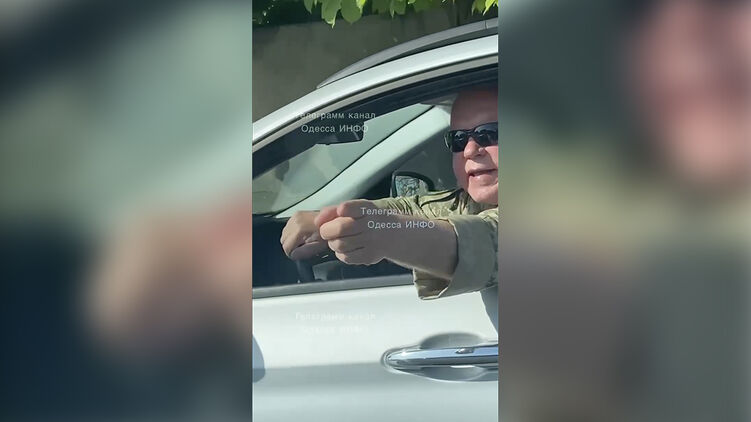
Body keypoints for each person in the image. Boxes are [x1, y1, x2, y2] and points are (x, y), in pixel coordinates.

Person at [280, 87, 499, 299]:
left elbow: (484, 245)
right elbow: (416, 208)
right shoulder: (469, 202)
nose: (469, 150)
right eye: (458, 139)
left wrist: (387, 234)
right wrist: (332, 221)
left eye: (490, 133)